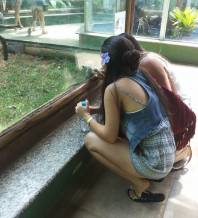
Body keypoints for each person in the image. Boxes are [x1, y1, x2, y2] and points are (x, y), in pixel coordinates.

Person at [75, 35, 176, 203]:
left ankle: (139, 184)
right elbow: (131, 109)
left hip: (155, 163)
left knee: (91, 140)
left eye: (103, 58)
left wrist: (85, 116)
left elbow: (109, 136)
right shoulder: (140, 74)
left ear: (107, 61)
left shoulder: (114, 89)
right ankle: (147, 175)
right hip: (167, 154)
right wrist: (92, 110)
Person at [118, 33, 192, 165]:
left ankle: (178, 152)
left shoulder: (147, 63)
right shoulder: (141, 60)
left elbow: (171, 99)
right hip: (174, 107)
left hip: (179, 111)